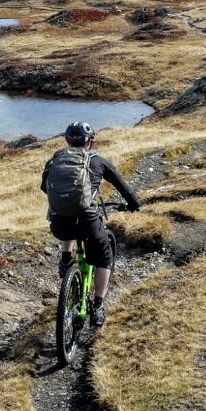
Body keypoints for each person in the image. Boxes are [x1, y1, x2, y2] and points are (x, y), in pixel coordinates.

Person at [41, 121, 141, 326]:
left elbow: (45, 188)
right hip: (88, 222)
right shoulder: (99, 162)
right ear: (90, 142)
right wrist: (135, 205)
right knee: (105, 256)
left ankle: (66, 258)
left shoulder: (55, 161)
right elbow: (124, 188)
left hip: (58, 224)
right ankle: (98, 306)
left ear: (68, 141)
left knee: (68, 214)